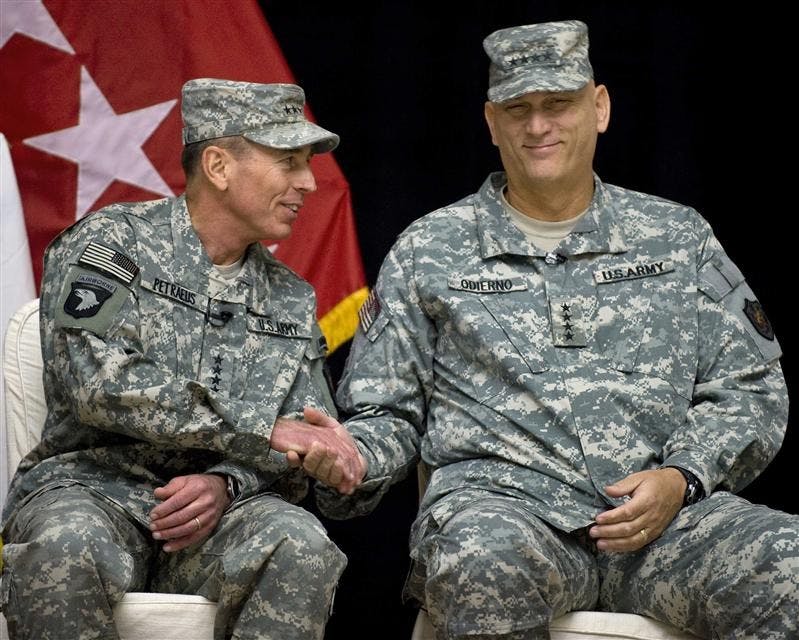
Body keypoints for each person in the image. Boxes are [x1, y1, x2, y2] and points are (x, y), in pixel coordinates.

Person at [299, 20, 799, 639]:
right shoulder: (430, 250)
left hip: (666, 526)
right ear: (491, 122)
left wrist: (683, 477)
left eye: (557, 105)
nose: (538, 127)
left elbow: (751, 390)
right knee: (482, 562)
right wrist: (351, 457)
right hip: (507, 518)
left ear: (599, 108)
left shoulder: (678, 238)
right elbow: (384, 414)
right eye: (518, 109)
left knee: (788, 562)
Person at [0, 78, 362, 640]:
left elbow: (303, 439)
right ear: (218, 166)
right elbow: (99, 385)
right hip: (93, 492)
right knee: (63, 545)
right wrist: (262, 430)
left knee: (300, 542)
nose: (308, 182)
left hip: (220, 518)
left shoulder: (290, 297)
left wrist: (228, 482)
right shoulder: (111, 245)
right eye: (289, 162)